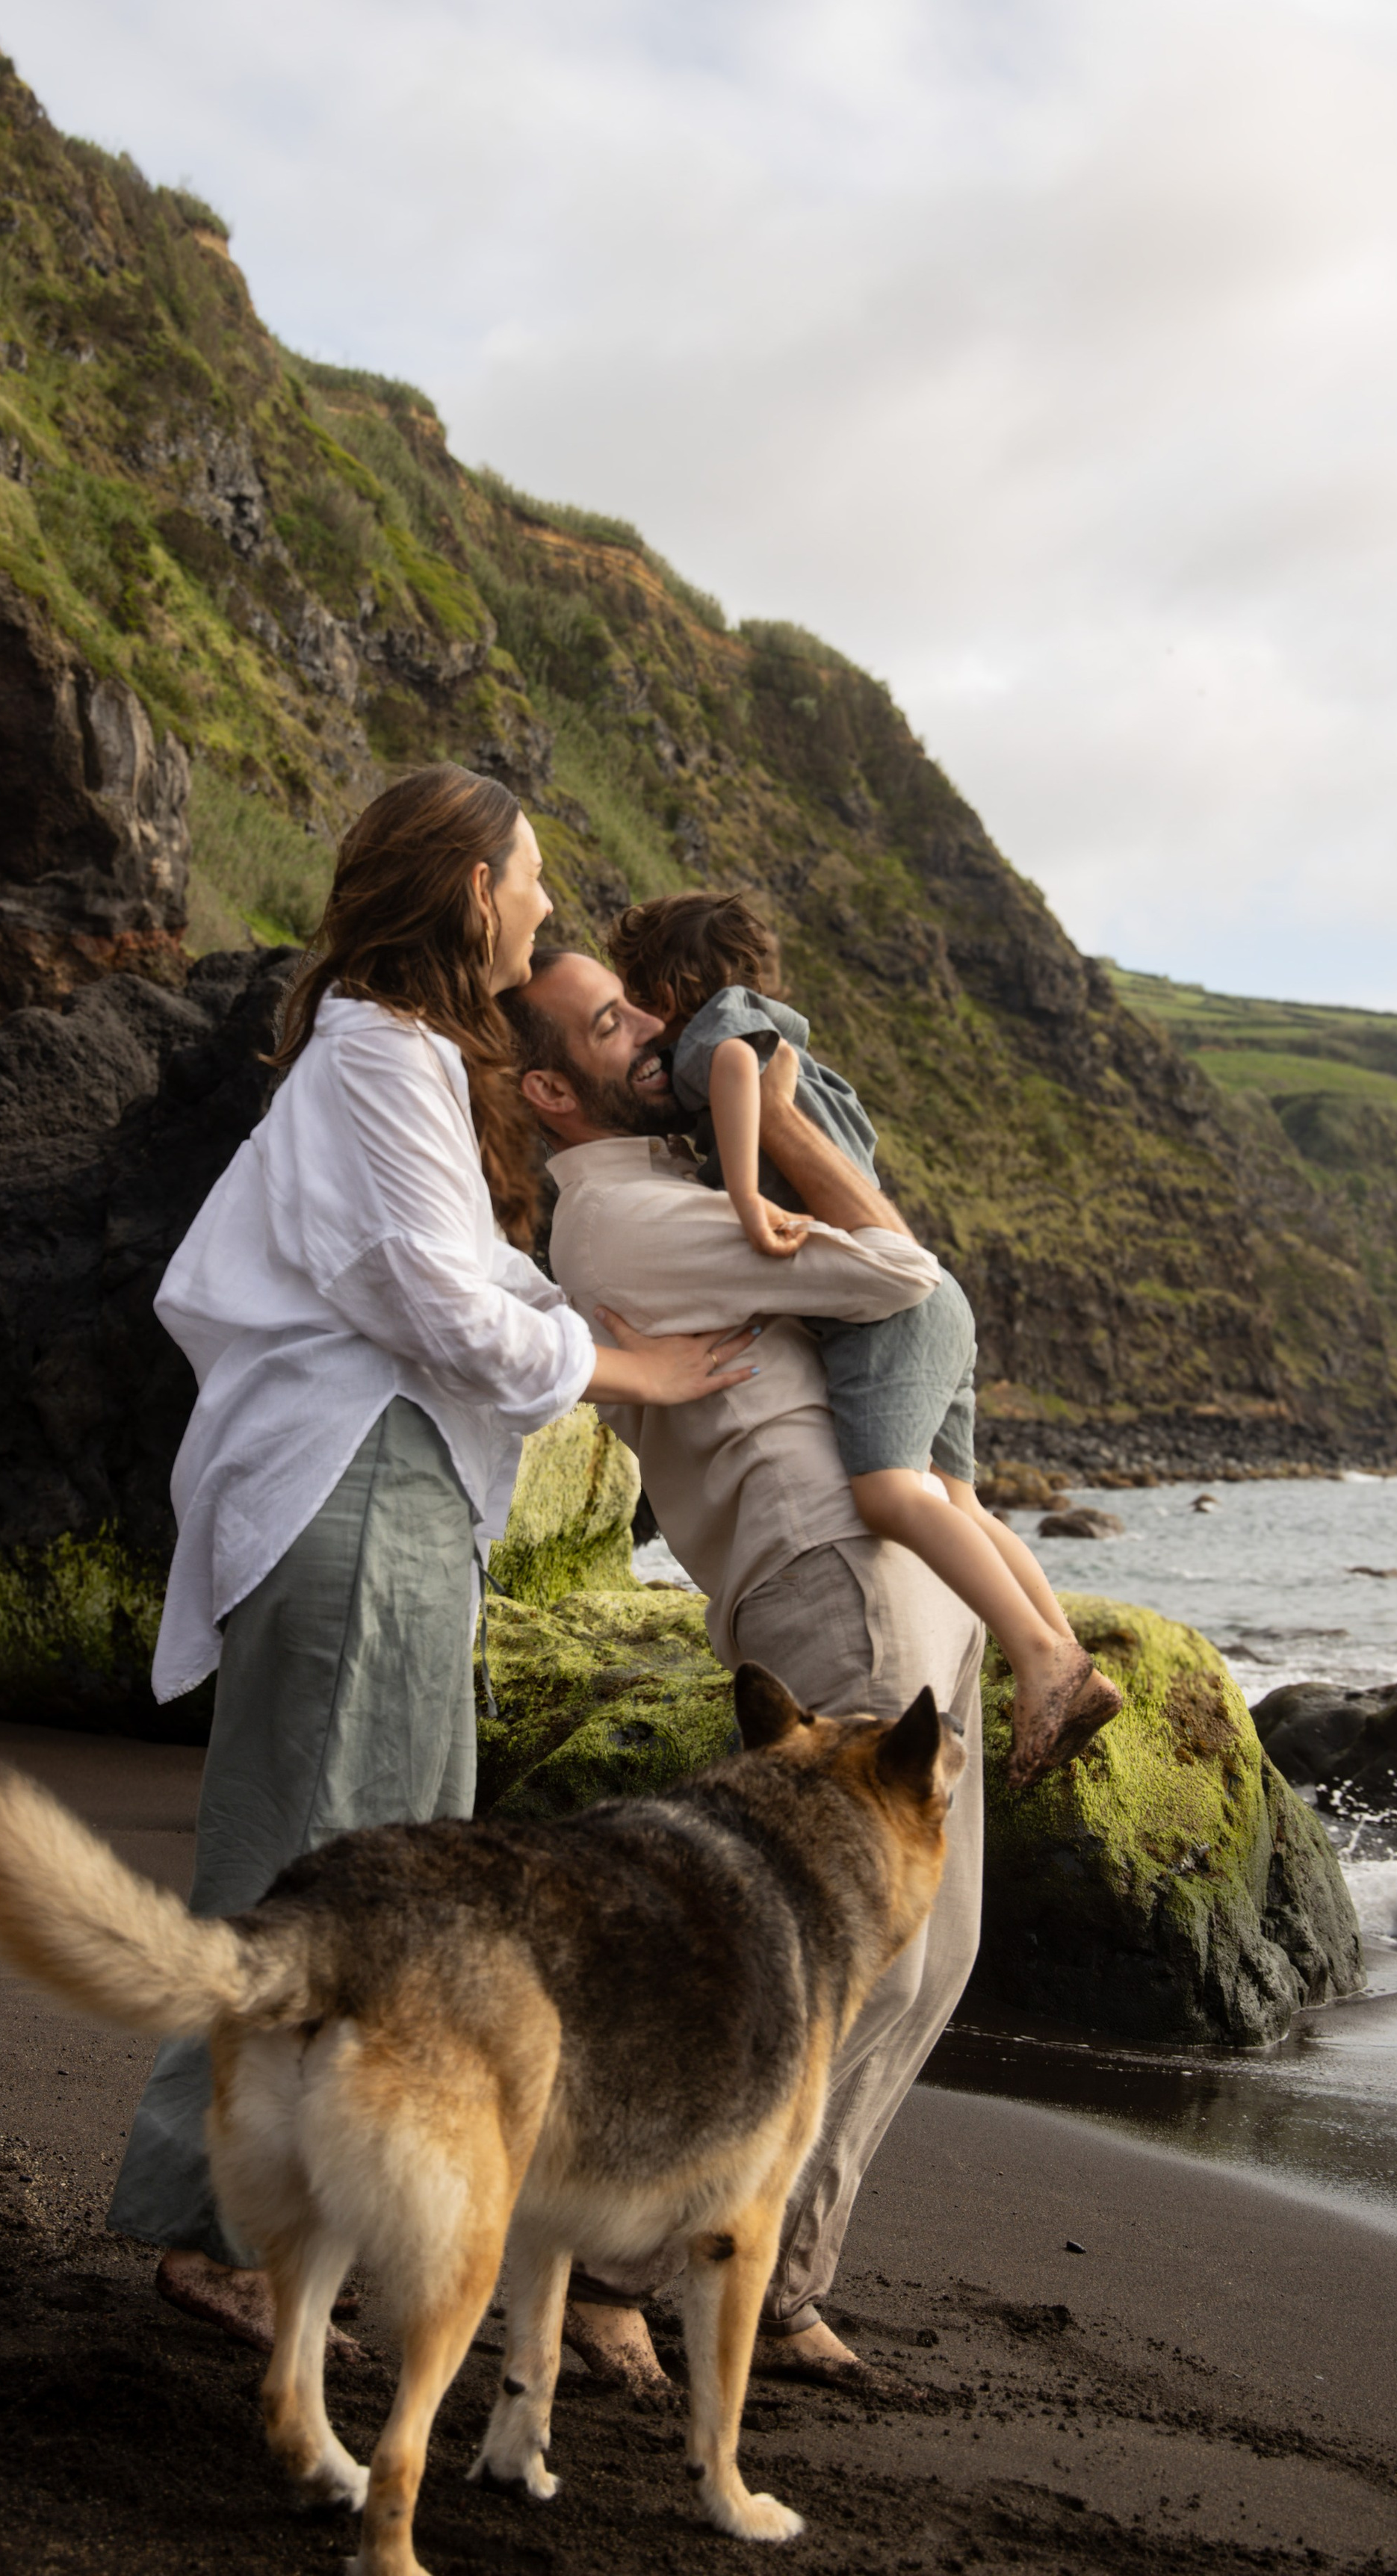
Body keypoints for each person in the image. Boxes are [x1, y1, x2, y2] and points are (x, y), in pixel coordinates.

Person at [109, 769, 756, 2352]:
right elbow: (447, 1312)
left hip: (389, 1494)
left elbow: (468, 1291)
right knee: (308, 1867)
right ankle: (216, 2233)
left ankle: (273, 2227)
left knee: (370, 1868)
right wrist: (634, 1371)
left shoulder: (388, 1062)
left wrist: (561, 1327)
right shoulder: (381, 1062)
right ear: (471, 889)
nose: (544, 907)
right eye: (529, 877)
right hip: (353, 1489)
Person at [504, 943, 983, 2398]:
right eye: (612, 1022)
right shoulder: (624, 1225)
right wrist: (776, 1134)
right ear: (546, 1090)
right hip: (823, 1570)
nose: (654, 1026)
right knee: (835, 1970)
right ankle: (616, 2273)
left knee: (929, 1956)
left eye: (644, 1006)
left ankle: (773, 2275)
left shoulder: (673, 1187)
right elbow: (898, 1268)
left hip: (903, 1562)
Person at [606, 889, 1121, 1789]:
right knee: (955, 1507)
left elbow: (730, 1068)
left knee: (888, 1496)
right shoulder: (793, 1043)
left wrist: (741, 1199)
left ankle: (1041, 1659)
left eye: (637, 995)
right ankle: (1070, 1659)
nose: (640, 1020)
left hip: (888, 1313)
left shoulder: (716, 1032)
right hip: (935, 1303)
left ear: (677, 982)